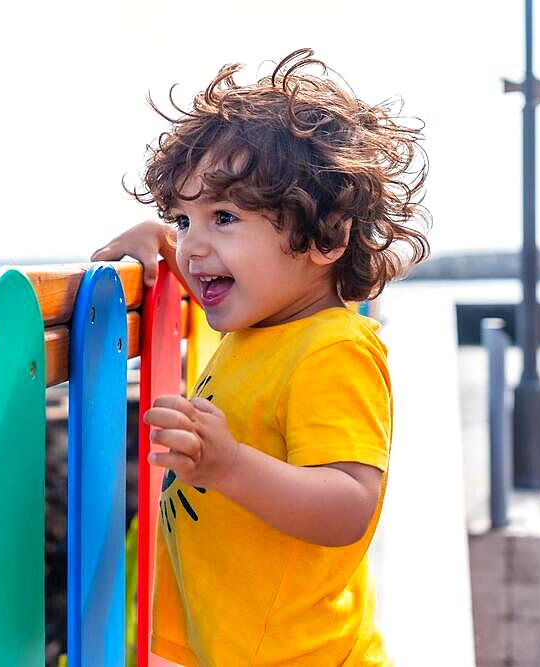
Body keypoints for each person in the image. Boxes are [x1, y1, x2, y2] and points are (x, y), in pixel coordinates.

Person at [91, 48, 430, 666]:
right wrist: (159, 242)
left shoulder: (331, 350)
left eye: (223, 217)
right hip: (223, 641)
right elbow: (208, 265)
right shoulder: (258, 322)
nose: (195, 246)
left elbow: (349, 504)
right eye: (183, 219)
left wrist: (230, 467)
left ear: (325, 236)